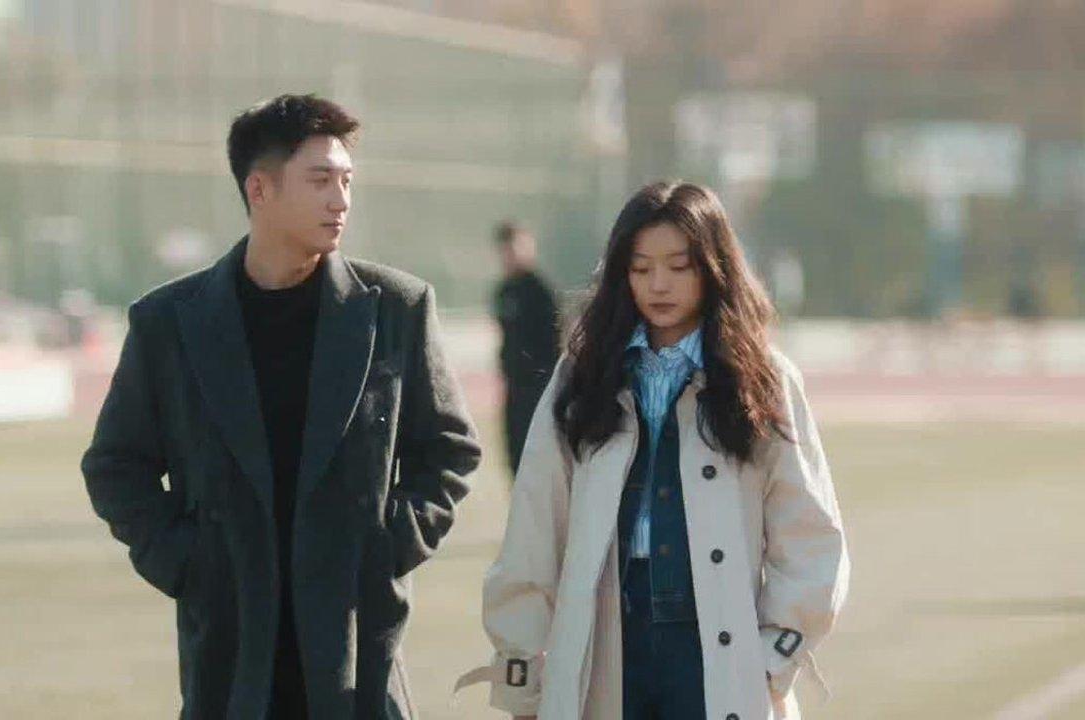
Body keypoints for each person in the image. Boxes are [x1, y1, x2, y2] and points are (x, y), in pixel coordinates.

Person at [82, 94, 481, 719]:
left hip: (357, 651)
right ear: (259, 189)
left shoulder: (396, 308)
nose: (340, 200)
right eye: (320, 180)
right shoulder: (169, 322)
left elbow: (450, 451)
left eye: (346, 181)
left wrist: (387, 545)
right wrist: (187, 562)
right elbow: (114, 465)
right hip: (230, 652)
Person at [459, 181, 850, 719]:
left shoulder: (761, 379)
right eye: (640, 268)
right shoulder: (583, 376)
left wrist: (769, 660)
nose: (658, 285)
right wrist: (521, 672)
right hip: (604, 648)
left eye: (678, 266)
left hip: (718, 651)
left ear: (713, 268)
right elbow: (533, 530)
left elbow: (809, 535)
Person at [491, 221, 561, 477]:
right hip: (514, 386)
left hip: (538, 387)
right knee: (514, 453)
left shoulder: (540, 291)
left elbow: (554, 341)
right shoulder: (503, 291)